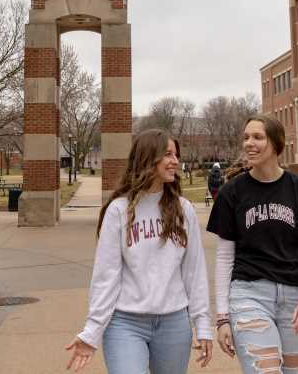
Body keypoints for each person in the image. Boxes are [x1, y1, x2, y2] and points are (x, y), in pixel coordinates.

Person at [65, 129, 214, 373]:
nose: (175, 161)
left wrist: (203, 324)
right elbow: (106, 276)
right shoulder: (119, 210)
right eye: (167, 154)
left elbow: (194, 272)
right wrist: (92, 331)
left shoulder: (183, 210)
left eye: (176, 154)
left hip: (173, 323)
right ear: (147, 158)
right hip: (125, 323)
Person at [207, 116, 298, 374]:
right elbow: (225, 258)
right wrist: (222, 318)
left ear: (276, 144)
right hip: (249, 295)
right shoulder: (232, 193)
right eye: (246, 137)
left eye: (258, 137)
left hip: (296, 298)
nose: (249, 143)